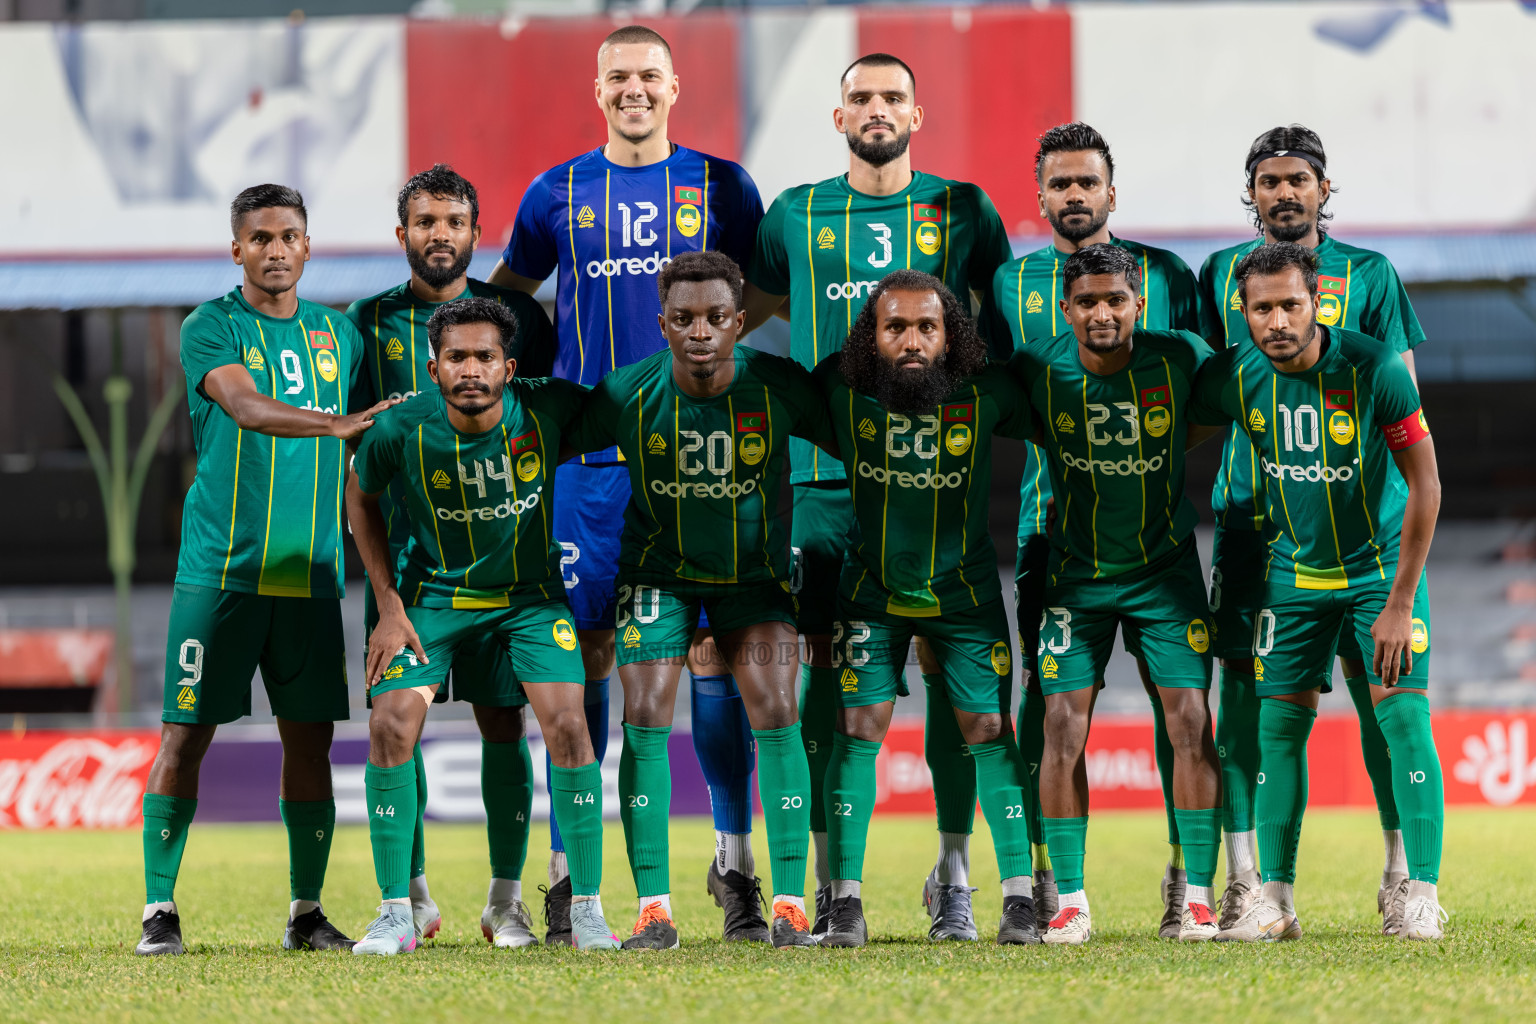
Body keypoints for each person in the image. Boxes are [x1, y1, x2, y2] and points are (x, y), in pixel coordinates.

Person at [487, 25, 769, 942]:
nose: (634, 89)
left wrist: (711, 363)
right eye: (620, 78)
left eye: (650, 75)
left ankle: (733, 863)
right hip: (591, 470)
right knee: (589, 654)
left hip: (701, 460)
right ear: (596, 88)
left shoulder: (724, 185)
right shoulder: (553, 192)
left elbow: (755, 293)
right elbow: (508, 300)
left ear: (676, 87)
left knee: (715, 655)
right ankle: (575, 874)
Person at [743, 52, 1015, 940]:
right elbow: (746, 313)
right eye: (860, 97)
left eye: (892, 96)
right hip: (825, 485)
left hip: (933, 476)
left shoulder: (964, 208)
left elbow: (998, 334)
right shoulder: (793, 213)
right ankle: (834, 884)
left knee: (954, 683)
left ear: (917, 112)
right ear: (837, 116)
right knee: (831, 694)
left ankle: (954, 871)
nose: (877, 109)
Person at [136, 184, 394, 956]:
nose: (275, 250)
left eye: (289, 237)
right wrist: (336, 423)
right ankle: (159, 910)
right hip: (219, 575)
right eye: (260, 238)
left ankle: (306, 913)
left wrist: (381, 584)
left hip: (311, 577)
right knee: (185, 739)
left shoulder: (339, 335)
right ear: (237, 249)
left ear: (308, 247)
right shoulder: (210, 327)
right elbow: (247, 407)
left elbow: (358, 467)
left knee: (309, 745)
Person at [1199, 125, 1428, 933]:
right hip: (1251, 527)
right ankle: (1244, 878)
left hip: (1360, 524)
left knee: (1382, 702)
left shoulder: (1371, 276)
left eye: (1299, 179)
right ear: (1251, 193)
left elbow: (1398, 399)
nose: (1284, 193)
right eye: (1268, 181)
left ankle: (1403, 873)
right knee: (1245, 700)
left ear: (1324, 189)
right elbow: (1205, 390)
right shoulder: (1218, 274)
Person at [563, 251, 828, 949]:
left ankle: (792, 908)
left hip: (754, 583)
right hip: (658, 578)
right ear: (662, 323)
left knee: (777, 709)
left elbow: (859, 437)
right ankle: (654, 909)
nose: (700, 331)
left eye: (716, 317)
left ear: (741, 321)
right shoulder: (626, 393)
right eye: (683, 319)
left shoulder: (779, 387)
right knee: (644, 713)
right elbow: (543, 431)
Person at [346, 297, 618, 953]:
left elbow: (629, 414)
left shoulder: (548, 407)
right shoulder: (400, 429)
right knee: (390, 724)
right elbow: (359, 492)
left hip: (528, 600)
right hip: (431, 600)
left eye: (485, 357)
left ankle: (581, 907)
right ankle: (394, 911)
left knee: (567, 724)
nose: (472, 369)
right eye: (458, 358)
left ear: (509, 366)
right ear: (434, 368)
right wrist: (387, 604)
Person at [990, 122, 1205, 936]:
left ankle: (1189, 877)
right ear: (1039, 195)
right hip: (1054, 533)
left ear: (1112, 192)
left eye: (1089, 183)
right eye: (1060, 184)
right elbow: (999, 393)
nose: (1074, 196)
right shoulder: (1009, 285)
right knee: (1049, 711)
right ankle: (1050, 883)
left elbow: (1199, 392)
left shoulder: (1172, 278)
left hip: (1154, 538)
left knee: (1180, 712)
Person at [346, 164, 555, 948]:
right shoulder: (364, 323)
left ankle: (506, 902)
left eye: (455, 221)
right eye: (425, 222)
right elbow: (353, 448)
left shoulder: (519, 321)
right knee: (397, 719)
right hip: (403, 569)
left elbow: (537, 424)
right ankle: (412, 901)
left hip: (500, 559)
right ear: (402, 235)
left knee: (506, 720)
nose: (441, 235)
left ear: (476, 232)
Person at [810, 270, 1038, 948]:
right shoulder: (840, 391)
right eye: (896, 327)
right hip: (870, 592)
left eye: (927, 327)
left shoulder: (988, 393)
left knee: (987, 727)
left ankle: (1019, 899)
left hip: (964, 594)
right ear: (870, 336)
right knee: (860, 725)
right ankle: (844, 902)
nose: (912, 341)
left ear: (951, 334)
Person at [1013, 244, 1224, 944]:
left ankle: (1196, 895)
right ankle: (1069, 900)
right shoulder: (1038, 368)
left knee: (1191, 724)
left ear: (1139, 304)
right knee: (1060, 731)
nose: (1102, 312)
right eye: (1088, 302)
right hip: (1075, 575)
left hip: (1165, 572)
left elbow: (1219, 409)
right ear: (1066, 308)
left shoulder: (1181, 356)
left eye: (1116, 300)